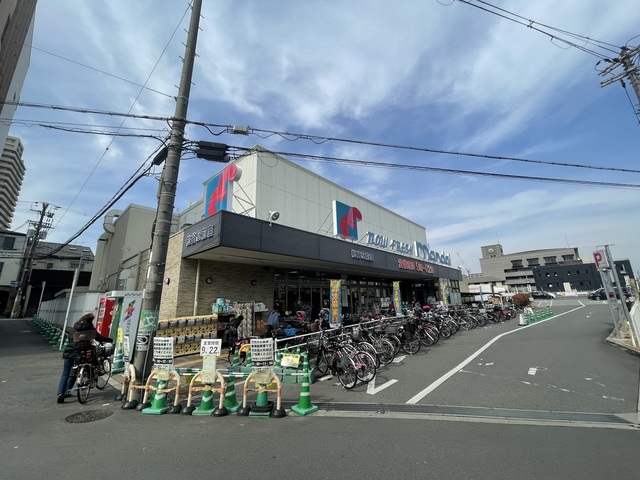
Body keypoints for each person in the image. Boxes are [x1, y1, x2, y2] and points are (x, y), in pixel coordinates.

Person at [56, 313, 112, 404]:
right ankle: (67, 391)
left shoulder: (74, 327)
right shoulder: (90, 328)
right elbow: (98, 337)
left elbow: (70, 339)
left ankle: (60, 394)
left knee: (65, 373)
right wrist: (111, 340)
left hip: (69, 352)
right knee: (74, 373)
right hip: (82, 353)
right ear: (91, 321)